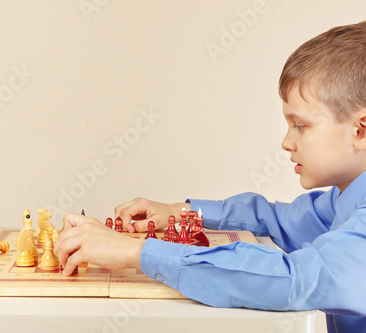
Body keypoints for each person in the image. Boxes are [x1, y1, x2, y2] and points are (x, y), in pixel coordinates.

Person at [54, 21, 366, 333]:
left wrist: (133, 251)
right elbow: (275, 219)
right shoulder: (345, 198)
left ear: (360, 130)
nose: (287, 142)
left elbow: (293, 279)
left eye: (300, 125)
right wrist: (180, 212)